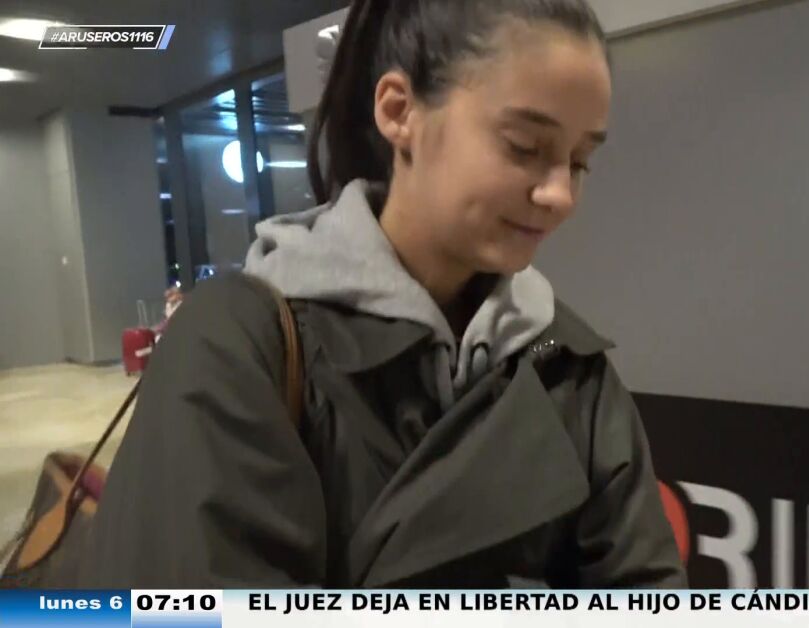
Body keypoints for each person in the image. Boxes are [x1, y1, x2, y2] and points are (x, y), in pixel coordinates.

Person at [76, 0, 685, 588]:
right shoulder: (237, 343)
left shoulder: (570, 368)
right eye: (525, 147)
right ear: (399, 111)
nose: (560, 195)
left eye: (579, 162)